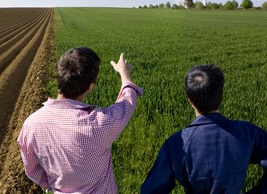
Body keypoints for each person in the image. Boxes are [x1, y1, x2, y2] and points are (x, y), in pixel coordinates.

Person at [17, 46, 143, 193]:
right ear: (90, 87)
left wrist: (54, 184)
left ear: (59, 77)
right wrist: (124, 74)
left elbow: (33, 170)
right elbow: (127, 103)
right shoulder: (99, 123)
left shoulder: (31, 125)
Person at [141, 64, 267, 194]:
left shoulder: (176, 144)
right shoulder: (247, 133)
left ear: (190, 101)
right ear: (221, 95)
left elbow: (150, 191)